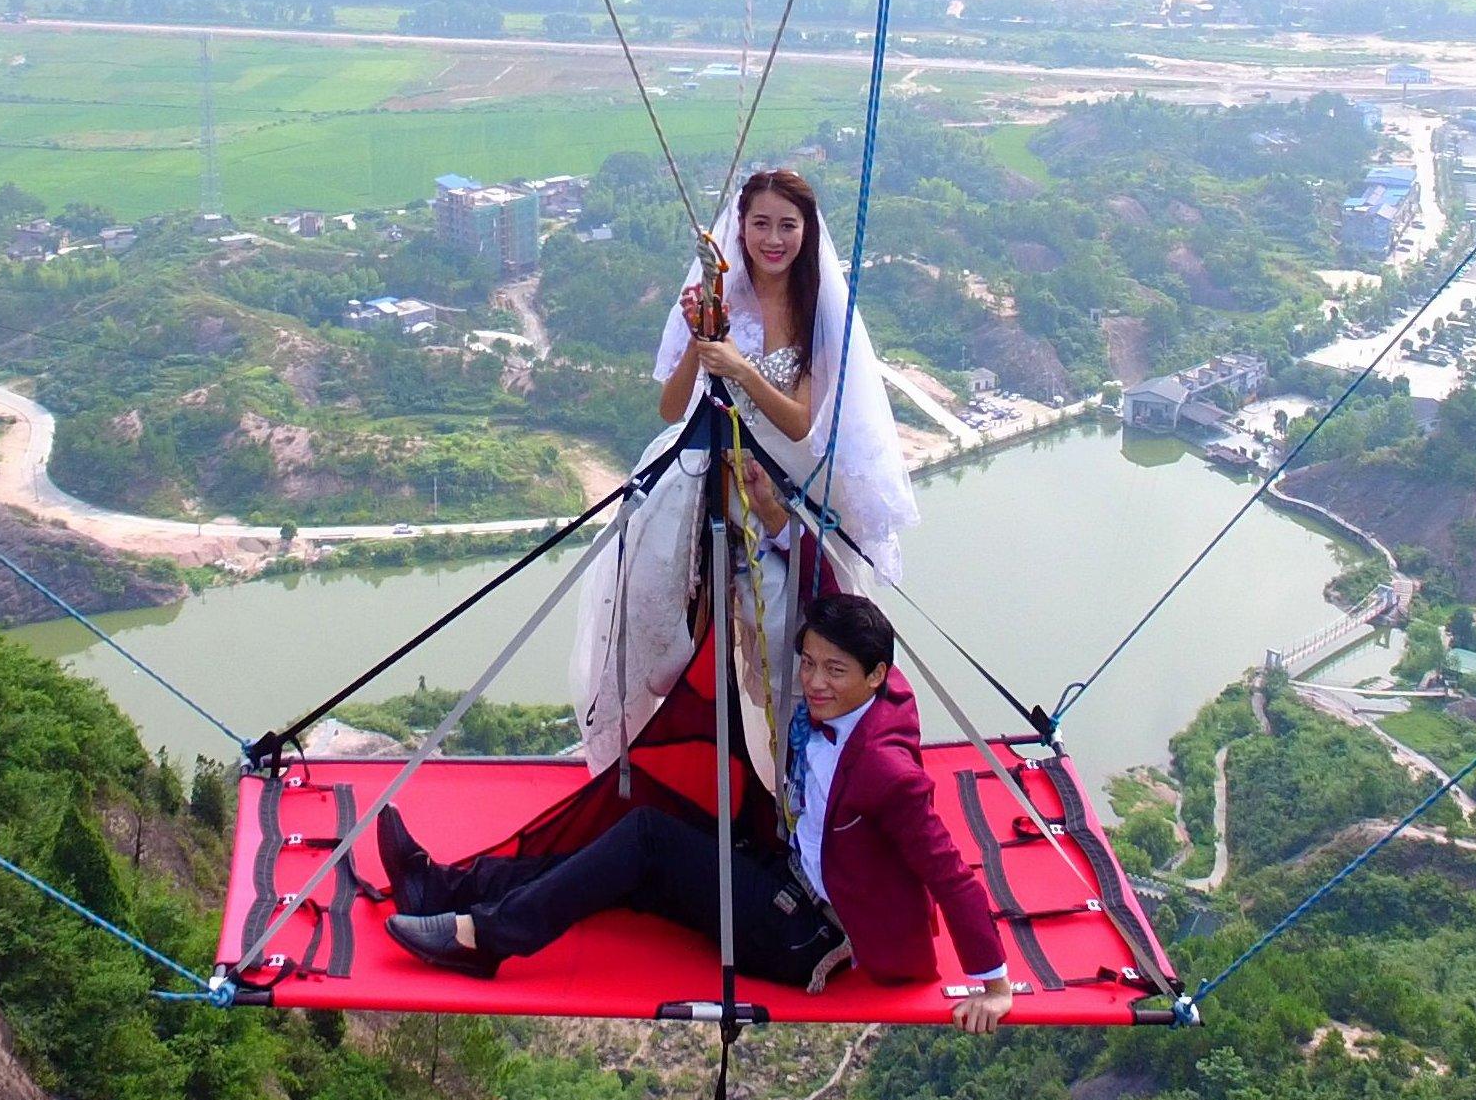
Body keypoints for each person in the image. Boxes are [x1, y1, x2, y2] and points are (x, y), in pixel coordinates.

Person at [380, 591, 1015, 1033]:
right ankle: (440, 889)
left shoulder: (885, 770)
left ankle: (482, 940)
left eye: (835, 671)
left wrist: (994, 984)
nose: (815, 683)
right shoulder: (854, 696)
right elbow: (829, 608)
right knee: (630, 859)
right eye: (810, 664)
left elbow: (949, 872)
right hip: (784, 876)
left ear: (877, 677)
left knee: (648, 842)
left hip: (811, 937)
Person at [568, 169, 919, 783]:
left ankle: (790, 773)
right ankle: (660, 755)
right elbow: (673, 406)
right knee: (647, 589)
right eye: (761, 224)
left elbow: (801, 421)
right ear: (741, 226)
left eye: (788, 225)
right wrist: (700, 343)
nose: (773, 239)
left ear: (807, 233)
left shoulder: (817, 309)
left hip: (778, 472)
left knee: (787, 627)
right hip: (700, 460)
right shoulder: (715, 296)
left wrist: (740, 367)